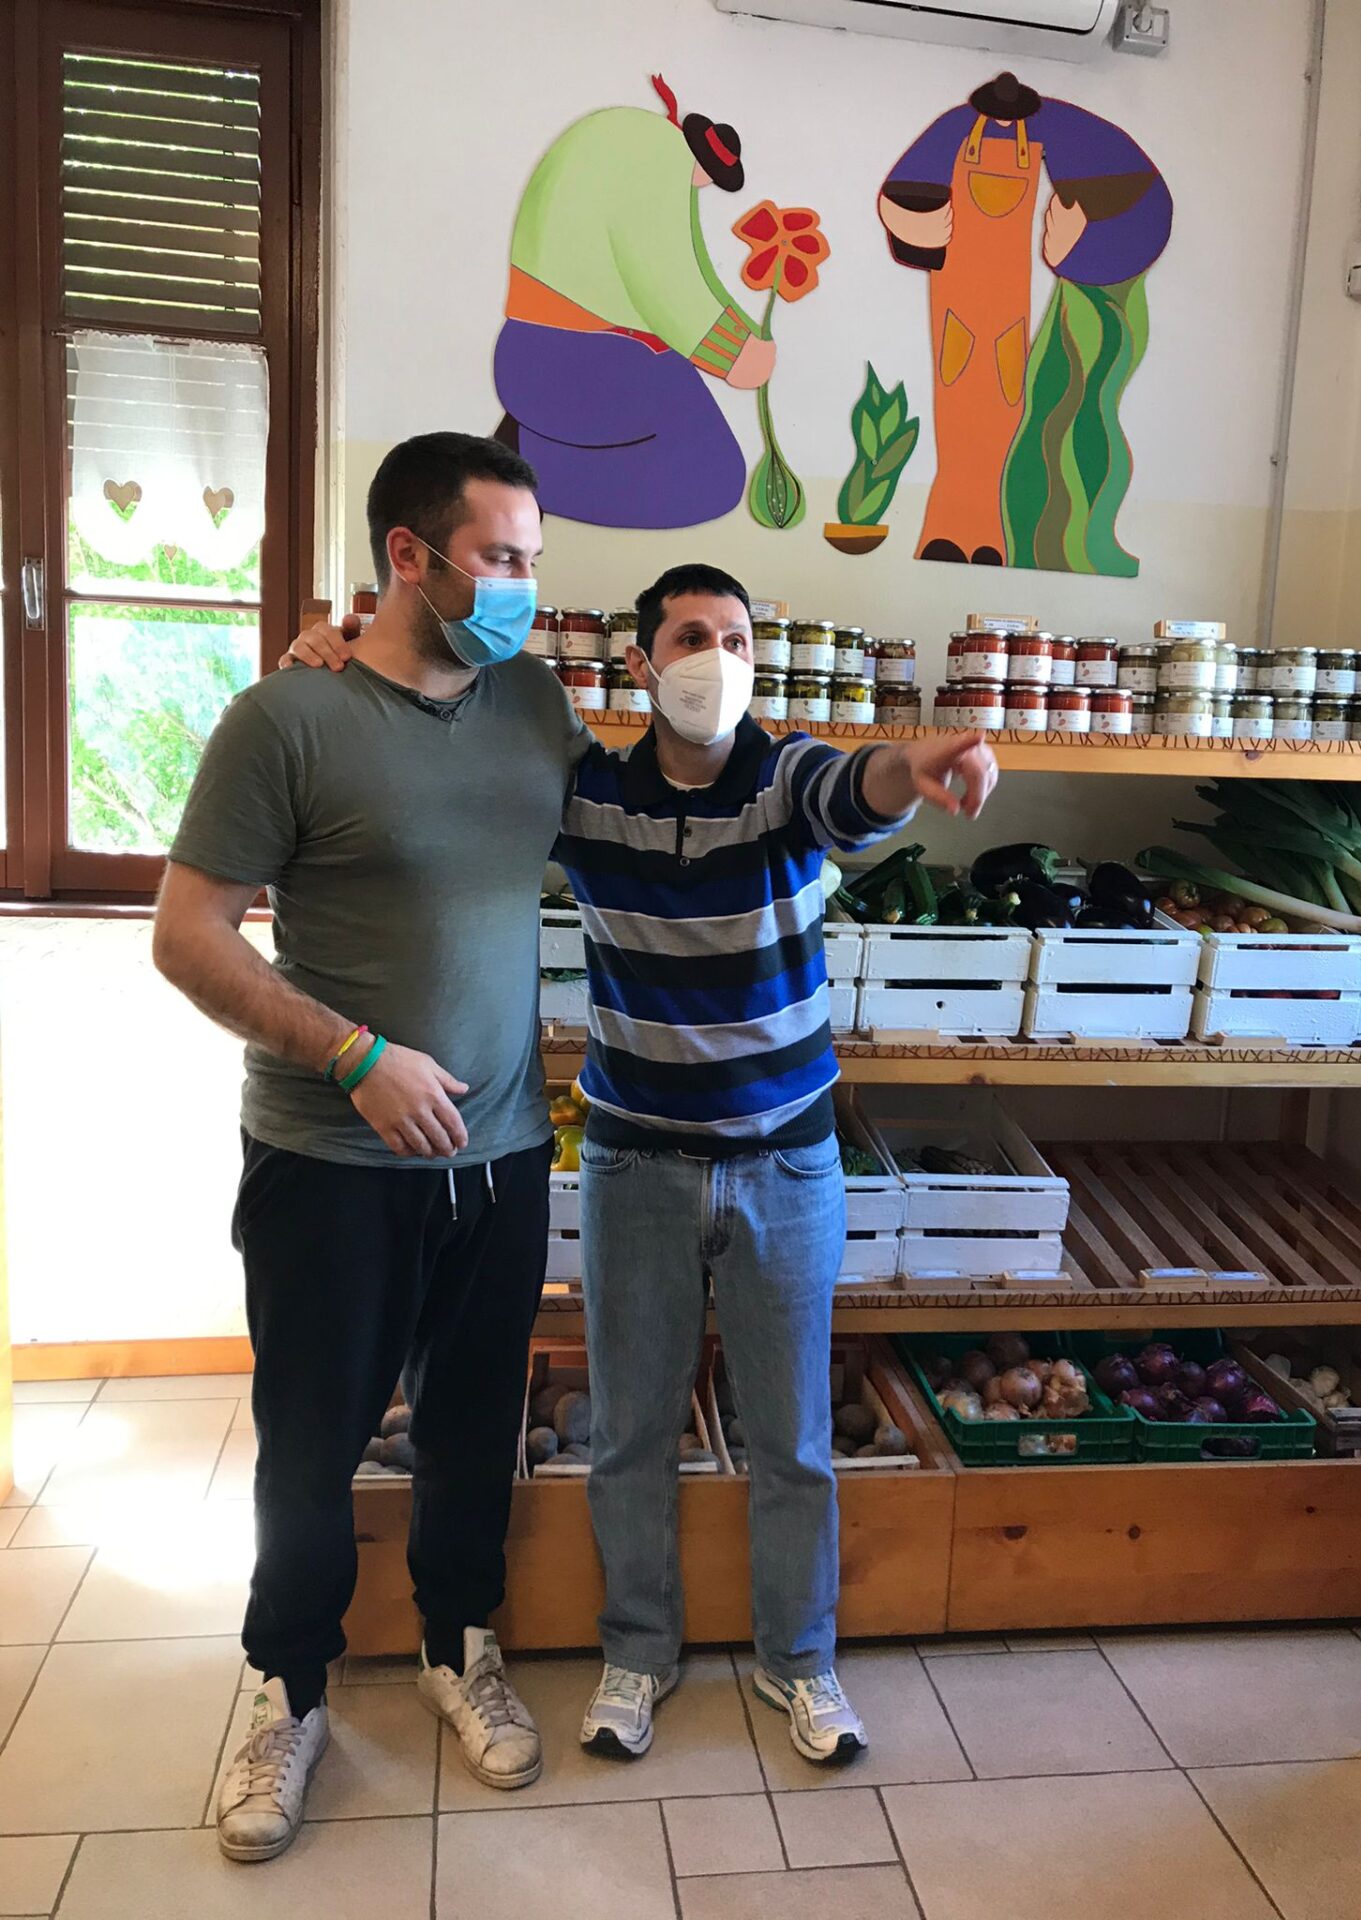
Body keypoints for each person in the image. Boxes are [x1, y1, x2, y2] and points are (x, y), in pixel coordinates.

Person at [286, 562, 998, 1767]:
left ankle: (801, 1663)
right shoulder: (589, 795)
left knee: (792, 1437)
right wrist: (349, 662)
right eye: (690, 636)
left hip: (786, 1167)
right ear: (641, 664)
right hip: (636, 1166)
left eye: (736, 638)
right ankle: (637, 1652)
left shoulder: (785, 778)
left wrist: (912, 764)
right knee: (628, 1431)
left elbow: (859, 788)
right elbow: (452, 739)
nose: (716, 658)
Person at [154, 433, 587, 1863]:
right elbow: (188, 936)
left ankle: (460, 1646)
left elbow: (658, 819)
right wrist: (353, 1056)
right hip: (328, 1165)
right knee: (312, 1446)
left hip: (503, 1153)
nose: (523, 588)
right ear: (409, 554)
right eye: (501, 559)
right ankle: (286, 1688)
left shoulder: (536, 704)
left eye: (532, 560)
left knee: (474, 1429)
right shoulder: (289, 716)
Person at [879, 69, 1172, 567]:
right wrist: (915, 225)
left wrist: (1078, 244)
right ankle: (949, 525)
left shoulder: (1054, 128)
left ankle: (994, 531)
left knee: (1007, 404)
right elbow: (902, 193)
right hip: (956, 308)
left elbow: (1140, 195)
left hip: (1009, 315)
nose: (1002, 127)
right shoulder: (955, 130)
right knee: (958, 404)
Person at [494, 73, 772, 529]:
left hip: (536, 352)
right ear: (703, 165)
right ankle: (511, 473)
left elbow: (694, 269)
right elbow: (666, 280)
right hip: (586, 357)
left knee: (698, 449)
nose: (701, 187)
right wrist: (735, 355)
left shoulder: (625, 137)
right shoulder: (658, 162)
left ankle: (517, 459)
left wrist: (744, 335)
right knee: (714, 475)